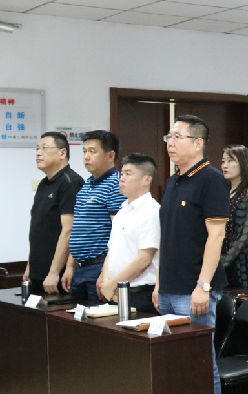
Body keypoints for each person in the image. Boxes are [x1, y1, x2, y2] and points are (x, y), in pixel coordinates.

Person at [153, 114, 229, 394]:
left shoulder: (211, 179)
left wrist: (203, 285)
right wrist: (159, 283)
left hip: (194, 291)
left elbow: (216, 235)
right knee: (172, 365)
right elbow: (167, 237)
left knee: (199, 365)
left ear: (198, 143)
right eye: (168, 137)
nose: (170, 143)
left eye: (177, 137)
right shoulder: (173, 181)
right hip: (169, 289)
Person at [63, 130, 127, 302]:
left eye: (92, 151)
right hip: (80, 268)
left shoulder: (116, 184)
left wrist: (105, 273)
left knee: (98, 316)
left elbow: (119, 234)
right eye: (84, 151)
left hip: (99, 267)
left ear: (110, 155)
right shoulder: (87, 185)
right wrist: (69, 266)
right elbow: (78, 229)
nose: (86, 157)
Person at [97, 153, 159, 313]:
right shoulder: (122, 210)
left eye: (128, 174)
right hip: (115, 291)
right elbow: (111, 251)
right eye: (122, 173)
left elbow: (144, 260)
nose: (122, 178)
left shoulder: (151, 211)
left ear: (146, 180)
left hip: (139, 293)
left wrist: (112, 284)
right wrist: (105, 280)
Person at [27, 131, 83, 294]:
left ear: (62, 153)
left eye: (44, 148)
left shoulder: (70, 183)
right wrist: (30, 266)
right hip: (38, 271)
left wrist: (54, 272)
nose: (38, 153)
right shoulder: (43, 184)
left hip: (57, 276)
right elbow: (39, 228)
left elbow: (69, 230)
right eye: (37, 148)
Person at [220, 145, 248, 289]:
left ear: (243, 163)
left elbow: (246, 237)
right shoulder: (222, 192)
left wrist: (223, 263)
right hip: (220, 261)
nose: (225, 165)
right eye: (223, 161)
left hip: (243, 264)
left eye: (230, 161)